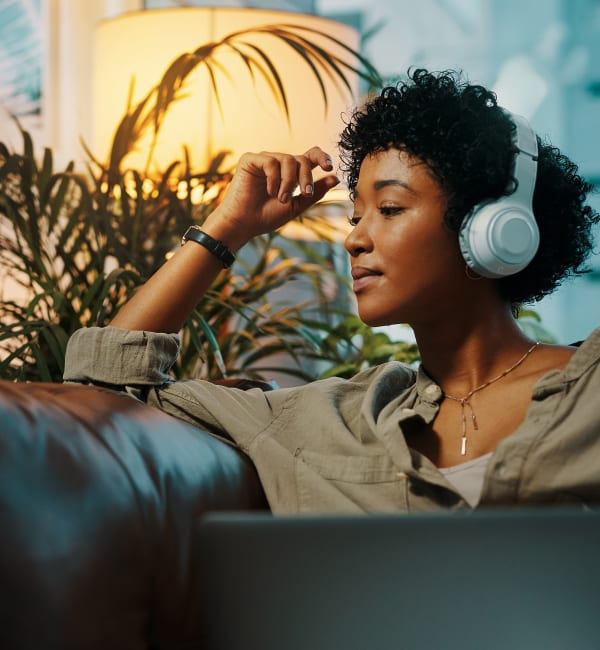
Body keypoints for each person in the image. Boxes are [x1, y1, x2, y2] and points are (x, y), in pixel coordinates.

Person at [64, 68, 600, 512]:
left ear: (495, 229)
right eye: (355, 215)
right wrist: (227, 228)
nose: (354, 239)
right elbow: (98, 394)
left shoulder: (589, 393)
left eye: (389, 209)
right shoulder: (327, 420)